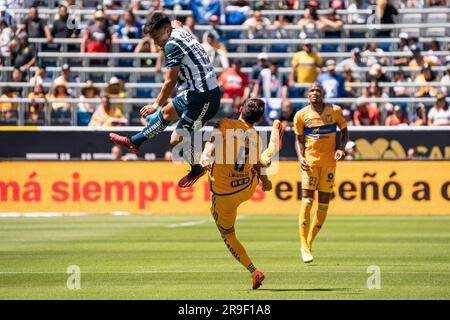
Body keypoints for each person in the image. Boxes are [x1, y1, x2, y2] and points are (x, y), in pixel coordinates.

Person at [109, 13, 221, 188]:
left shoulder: (172, 45)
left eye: (156, 38)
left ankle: (198, 167)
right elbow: (177, 24)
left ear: (167, 30)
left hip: (205, 97)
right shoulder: (176, 30)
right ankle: (135, 141)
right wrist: (176, 25)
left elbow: (170, 81)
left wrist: (155, 105)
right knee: (167, 112)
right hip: (195, 91)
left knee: (176, 139)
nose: (156, 43)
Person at [198, 98, 283, 289]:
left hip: (225, 195)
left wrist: (205, 156)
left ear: (241, 109)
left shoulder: (226, 124)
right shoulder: (254, 135)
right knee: (259, 162)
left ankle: (254, 271)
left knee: (228, 234)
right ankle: (270, 153)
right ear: (259, 118)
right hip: (247, 187)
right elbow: (255, 165)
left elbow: (212, 142)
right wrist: (266, 181)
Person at [294, 83, 349, 263]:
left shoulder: (335, 111)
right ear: (308, 94)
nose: (315, 93)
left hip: (329, 164)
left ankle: (309, 243)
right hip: (310, 163)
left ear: (323, 94)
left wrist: (341, 148)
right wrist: (300, 156)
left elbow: (344, 131)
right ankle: (303, 244)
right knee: (308, 201)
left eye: (318, 90)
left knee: (324, 205)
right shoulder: (301, 115)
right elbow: (298, 139)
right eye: (312, 91)